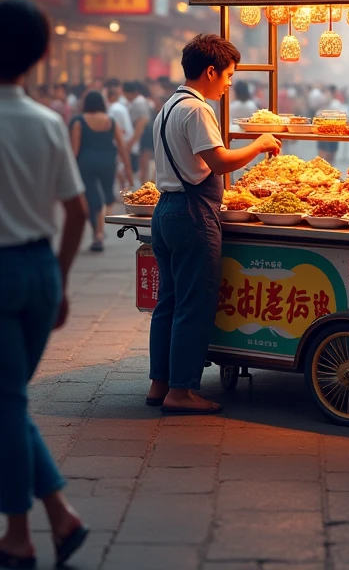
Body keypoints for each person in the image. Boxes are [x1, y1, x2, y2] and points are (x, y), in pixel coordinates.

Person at [147, 34, 282, 414]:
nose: (228, 84)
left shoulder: (168, 107)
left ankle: (160, 383)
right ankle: (181, 391)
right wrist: (260, 143)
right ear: (210, 71)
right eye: (228, 76)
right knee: (194, 303)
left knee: (169, 303)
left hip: (166, 210)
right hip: (192, 214)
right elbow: (220, 161)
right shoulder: (197, 109)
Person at [0, 0, 89, 568]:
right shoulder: (48, 121)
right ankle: (56, 515)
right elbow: (78, 211)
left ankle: (20, 535)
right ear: (41, 56)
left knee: (6, 405)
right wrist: (57, 281)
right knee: (8, 402)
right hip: (37, 272)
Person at [70, 91, 132, 252]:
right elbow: (122, 146)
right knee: (106, 196)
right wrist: (127, 168)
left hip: (86, 163)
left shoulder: (78, 121)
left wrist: (69, 170)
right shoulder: (111, 121)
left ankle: (97, 233)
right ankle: (100, 230)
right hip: (107, 163)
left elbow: (74, 150)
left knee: (91, 198)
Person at [123, 81, 153, 183]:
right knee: (144, 164)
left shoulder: (139, 102)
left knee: (143, 163)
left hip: (145, 134)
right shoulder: (139, 101)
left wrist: (131, 141)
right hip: (144, 133)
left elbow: (142, 122)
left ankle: (144, 186)